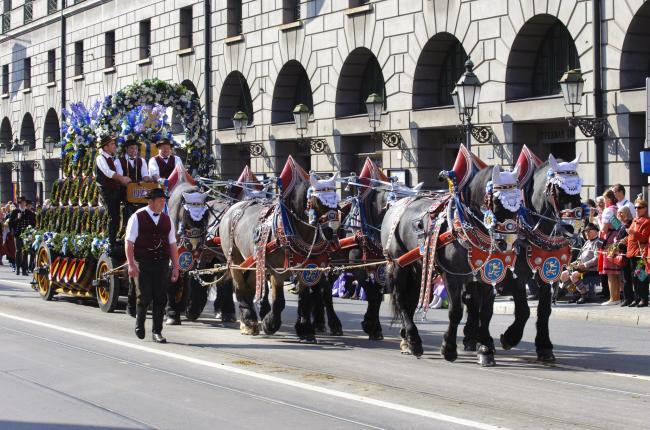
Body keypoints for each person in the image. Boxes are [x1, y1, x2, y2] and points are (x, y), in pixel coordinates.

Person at [125, 188, 180, 343]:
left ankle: (157, 331)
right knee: (144, 296)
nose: (163, 204)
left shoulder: (167, 220)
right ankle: (139, 323)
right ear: (151, 201)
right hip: (143, 262)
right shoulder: (137, 217)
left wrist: (176, 267)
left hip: (162, 263)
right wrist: (131, 264)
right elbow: (129, 243)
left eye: (164, 201)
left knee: (161, 298)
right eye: (160, 201)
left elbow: (173, 245)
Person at [95, 134, 132, 249]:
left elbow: (119, 173)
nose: (114, 146)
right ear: (105, 147)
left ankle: (117, 238)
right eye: (112, 144)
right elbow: (108, 173)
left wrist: (127, 180)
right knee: (114, 216)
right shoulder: (100, 158)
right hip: (106, 191)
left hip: (115, 190)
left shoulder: (112, 158)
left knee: (123, 211)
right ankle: (111, 242)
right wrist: (122, 179)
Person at [560, 223, 600, 304]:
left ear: (595, 232)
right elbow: (580, 258)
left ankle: (583, 295)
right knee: (563, 275)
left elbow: (596, 259)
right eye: (585, 232)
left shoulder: (598, 242)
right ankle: (576, 293)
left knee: (574, 275)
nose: (586, 233)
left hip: (591, 268)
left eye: (589, 231)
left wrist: (584, 265)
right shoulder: (587, 242)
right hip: (580, 266)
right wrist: (572, 264)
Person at [625, 196, 650, 307]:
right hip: (632, 252)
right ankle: (637, 298)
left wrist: (632, 233)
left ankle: (644, 299)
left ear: (645, 209)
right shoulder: (635, 221)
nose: (637, 209)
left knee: (640, 276)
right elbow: (631, 236)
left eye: (639, 207)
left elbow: (644, 238)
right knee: (633, 276)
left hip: (641, 253)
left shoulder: (647, 221)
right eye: (635, 208)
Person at [599, 189, 622, 305]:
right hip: (617, 240)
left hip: (609, 241)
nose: (604, 201)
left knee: (610, 272)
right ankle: (617, 296)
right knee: (616, 271)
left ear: (608, 199)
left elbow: (604, 229)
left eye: (604, 199)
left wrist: (599, 220)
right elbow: (619, 226)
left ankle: (613, 298)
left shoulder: (608, 210)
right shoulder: (617, 208)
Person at [8, 197, 36, 276]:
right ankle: (17, 268)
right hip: (18, 234)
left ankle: (24, 270)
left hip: (27, 235)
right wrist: (17, 218)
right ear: (19, 204)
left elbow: (33, 222)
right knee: (18, 251)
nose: (23, 204)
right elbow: (10, 223)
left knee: (25, 252)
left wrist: (31, 230)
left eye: (24, 203)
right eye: (21, 203)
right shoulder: (15, 212)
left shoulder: (29, 212)